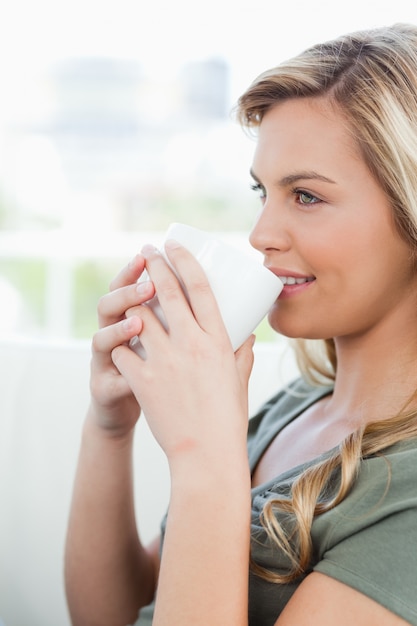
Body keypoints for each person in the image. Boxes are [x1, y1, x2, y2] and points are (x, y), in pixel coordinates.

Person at [64, 23, 417, 626]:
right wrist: (111, 425)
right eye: (263, 192)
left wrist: (202, 455)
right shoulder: (296, 409)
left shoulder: (404, 496)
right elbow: (115, 614)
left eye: (305, 196)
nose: (260, 235)